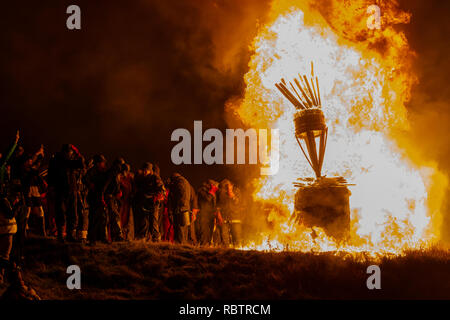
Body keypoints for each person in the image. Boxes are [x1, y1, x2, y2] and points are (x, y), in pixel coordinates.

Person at [47, 144, 84, 242]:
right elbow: (50, 175)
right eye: (70, 152)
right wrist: (51, 188)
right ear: (66, 152)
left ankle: (69, 235)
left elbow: (81, 164)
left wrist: (77, 152)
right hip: (61, 190)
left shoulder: (68, 161)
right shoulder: (57, 161)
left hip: (71, 190)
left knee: (72, 213)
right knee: (61, 213)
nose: (71, 154)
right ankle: (61, 235)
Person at [134, 163, 164, 241]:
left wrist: (157, 197)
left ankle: (156, 237)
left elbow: (161, 190)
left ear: (150, 171)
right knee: (143, 220)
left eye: (146, 170)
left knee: (153, 220)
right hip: (144, 202)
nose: (144, 172)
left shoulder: (155, 178)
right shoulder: (142, 179)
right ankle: (142, 236)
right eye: (143, 170)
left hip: (153, 202)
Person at [84, 155, 108, 244]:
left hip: (100, 197)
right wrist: (90, 184)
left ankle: (102, 237)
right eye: (102, 162)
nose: (104, 164)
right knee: (93, 218)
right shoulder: (92, 171)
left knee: (103, 218)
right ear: (98, 163)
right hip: (94, 197)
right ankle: (92, 238)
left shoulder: (102, 171)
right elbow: (85, 179)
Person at [103, 158, 126, 242]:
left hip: (113, 197)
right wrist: (103, 195)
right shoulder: (112, 173)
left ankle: (114, 236)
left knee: (113, 216)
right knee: (114, 216)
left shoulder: (116, 173)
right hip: (109, 197)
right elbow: (106, 185)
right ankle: (117, 236)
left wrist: (118, 191)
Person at [167, 173, 192, 244]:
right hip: (186, 209)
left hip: (179, 210)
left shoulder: (178, 183)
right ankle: (184, 247)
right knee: (184, 232)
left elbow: (176, 197)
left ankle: (180, 248)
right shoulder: (186, 182)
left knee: (179, 233)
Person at [217, 179, 242, 247]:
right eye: (225, 186)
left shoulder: (237, 191)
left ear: (232, 185)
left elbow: (238, 202)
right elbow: (217, 206)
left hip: (235, 218)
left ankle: (238, 252)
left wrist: (232, 195)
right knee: (224, 238)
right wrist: (219, 216)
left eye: (228, 186)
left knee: (236, 238)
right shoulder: (221, 193)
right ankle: (226, 252)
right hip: (224, 218)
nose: (227, 187)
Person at [196, 180, 219, 246]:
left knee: (211, 231)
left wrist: (215, 213)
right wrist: (212, 191)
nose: (214, 186)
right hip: (204, 214)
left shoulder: (212, 192)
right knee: (204, 232)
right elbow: (208, 199)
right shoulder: (201, 190)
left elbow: (214, 203)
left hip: (211, 214)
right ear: (209, 185)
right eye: (213, 185)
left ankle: (209, 245)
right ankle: (203, 246)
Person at [119, 163, 134, 240]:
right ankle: (121, 235)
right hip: (121, 201)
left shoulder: (130, 177)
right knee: (121, 218)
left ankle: (126, 236)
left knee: (127, 219)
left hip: (128, 201)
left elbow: (133, 187)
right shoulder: (120, 177)